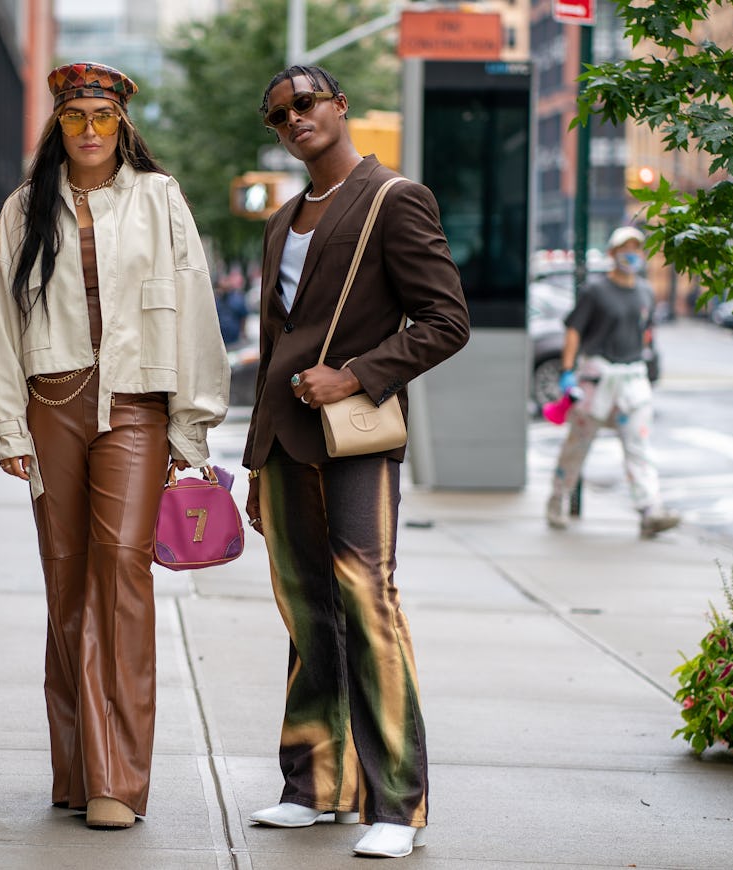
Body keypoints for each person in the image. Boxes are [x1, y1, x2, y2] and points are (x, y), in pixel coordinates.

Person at [0, 61, 230, 830]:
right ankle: (76, 767)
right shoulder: (25, 208)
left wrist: (193, 423)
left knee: (121, 573)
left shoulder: (159, 198)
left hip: (136, 404)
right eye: (74, 117)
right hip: (52, 401)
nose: (89, 131)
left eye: (102, 118)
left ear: (123, 125)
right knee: (66, 578)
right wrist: (9, 425)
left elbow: (193, 305)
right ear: (57, 125)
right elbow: (1, 322)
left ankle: (117, 779)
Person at [242, 65, 470, 860]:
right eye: (279, 115)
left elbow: (446, 320)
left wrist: (360, 372)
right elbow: (275, 348)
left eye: (306, 103)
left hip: (356, 439)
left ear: (340, 106)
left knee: (368, 607)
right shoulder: (281, 222)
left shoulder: (392, 198)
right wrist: (254, 460)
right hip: (284, 444)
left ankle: (397, 803)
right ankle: (314, 785)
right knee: (308, 615)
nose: (294, 118)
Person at [546, 225, 681, 538]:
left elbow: (646, 332)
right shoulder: (596, 290)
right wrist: (568, 371)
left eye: (636, 247)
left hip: (631, 380)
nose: (631, 253)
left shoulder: (646, 291)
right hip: (597, 379)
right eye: (625, 248)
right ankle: (557, 499)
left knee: (639, 446)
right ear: (612, 252)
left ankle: (650, 510)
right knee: (577, 446)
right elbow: (574, 329)